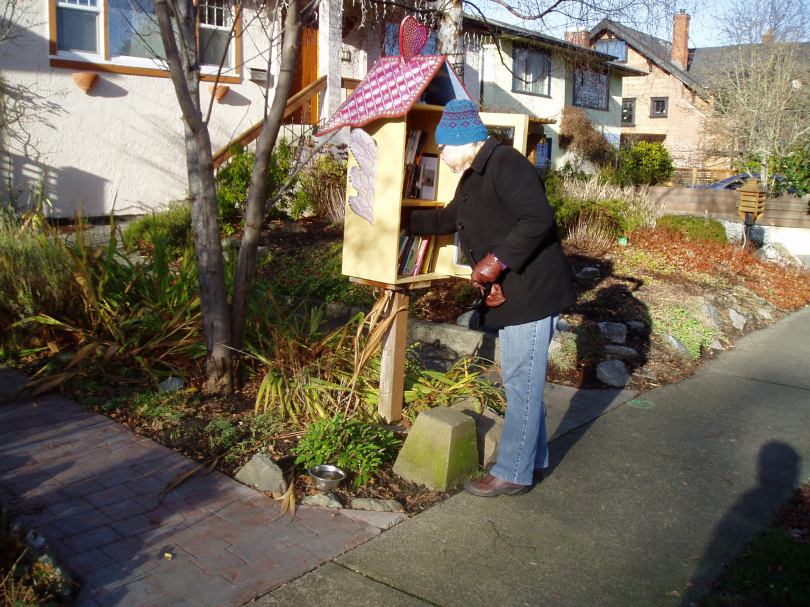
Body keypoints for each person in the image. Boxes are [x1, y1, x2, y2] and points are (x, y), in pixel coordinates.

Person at [407, 99, 576, 496]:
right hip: (518, 292)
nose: (441, 156)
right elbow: (450, 219)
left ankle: (513, 474)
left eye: (444, 148)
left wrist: (496, 260)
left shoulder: (505, 164)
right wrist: (401, 218)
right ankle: (531, 461)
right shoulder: (473, 176)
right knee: (523, 380)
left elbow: (538, 219)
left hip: (532, 292)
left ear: (463, 141)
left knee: (521, 383)